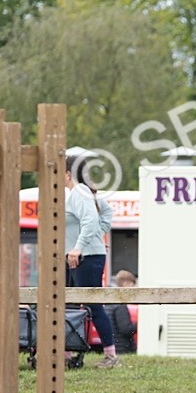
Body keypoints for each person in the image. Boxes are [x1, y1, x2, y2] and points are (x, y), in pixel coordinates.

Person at [66, 154, 118, 369]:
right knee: (67, 304)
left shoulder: (80, 192)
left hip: (84, 256)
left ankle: (111, 355)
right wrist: (98, 233)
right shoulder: (80, 193)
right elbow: (105, 211)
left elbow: (91, 219)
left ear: (67, 173)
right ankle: (66, 352)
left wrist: (80, 247)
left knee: (92, 304)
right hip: (74, 254)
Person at [106, 269, 138, 355]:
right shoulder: (120, 306)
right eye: (132, 285)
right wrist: (140, 324)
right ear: (126, 284)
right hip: (123, 349)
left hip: (114, 346)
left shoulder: (109, 302)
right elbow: (126, 329)